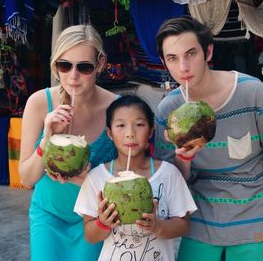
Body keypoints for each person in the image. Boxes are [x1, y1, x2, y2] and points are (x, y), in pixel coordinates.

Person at [154, 16, 263, 261]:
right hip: (199, 223)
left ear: (208, 51)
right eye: (172, 58)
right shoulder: (168, 111)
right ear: (163, 62)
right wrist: (185, 159)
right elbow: (173, 182)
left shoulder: (252, 93)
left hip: (255, 221)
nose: (183, 67)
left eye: (191, 54)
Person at [19, 24, 118, 261]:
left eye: (84, 67)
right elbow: (26, 178)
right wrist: (47, 139)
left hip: (94, 219)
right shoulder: (39, 103)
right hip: (48, 215)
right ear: (55, 66)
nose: (73, 76)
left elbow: (130, 175)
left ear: (100, 65)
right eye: (65, 66)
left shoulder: (117, 109)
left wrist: (89, 179)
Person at [74, 95, 197, 261]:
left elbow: (183, 225)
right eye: (121, 125)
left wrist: (158, 226)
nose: (130, 134)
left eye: (139, 125)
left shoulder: (169, 174)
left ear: (151, 130)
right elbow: (90, 235)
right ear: (109, 133)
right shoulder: (96, 177)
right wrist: (102, 223)